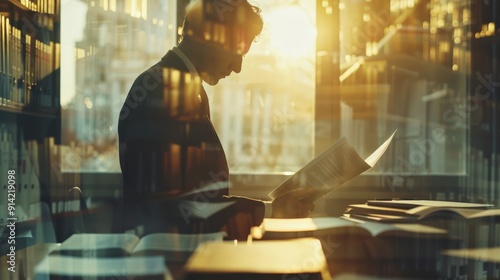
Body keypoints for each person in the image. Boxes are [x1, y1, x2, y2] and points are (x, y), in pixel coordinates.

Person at [118, 0, 313, 238]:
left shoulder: (178, 87)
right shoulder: (162, 92)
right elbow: (177, 208)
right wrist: (269, 211)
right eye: (237, 52)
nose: (238, 67)